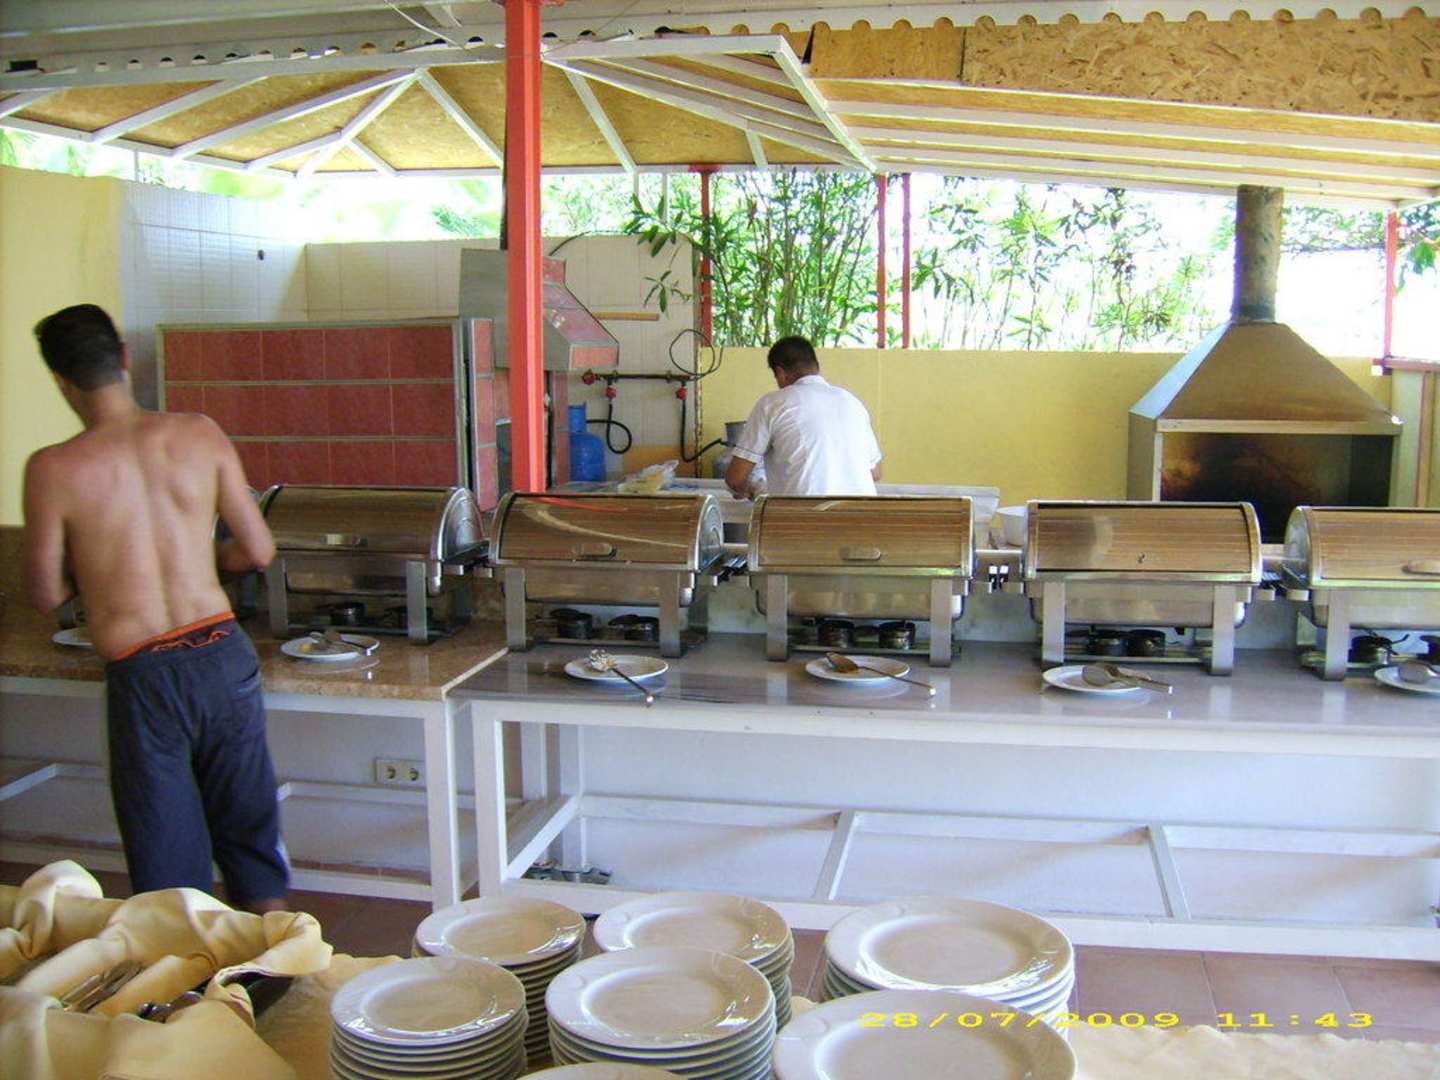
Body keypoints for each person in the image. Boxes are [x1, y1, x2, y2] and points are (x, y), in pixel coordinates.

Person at [22, 304, 290, 914]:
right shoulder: (199, 432)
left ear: (61, 381)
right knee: (250, 837)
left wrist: (102, 567)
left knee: (169, 860)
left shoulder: (53, 469)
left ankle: (188, 969)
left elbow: (43, 593)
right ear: (123, 358)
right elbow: (257, 550)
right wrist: (197, 554)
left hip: (145, 672)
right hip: (222, 654)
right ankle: (280, 956)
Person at [724, 335, 882, 498]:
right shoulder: (852, 402)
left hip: (804, 511)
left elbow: (735, 478)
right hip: (862, 510)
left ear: (780, 373)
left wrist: (756, 491)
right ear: (816, 366)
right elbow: (875, 472)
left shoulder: (773, 403)